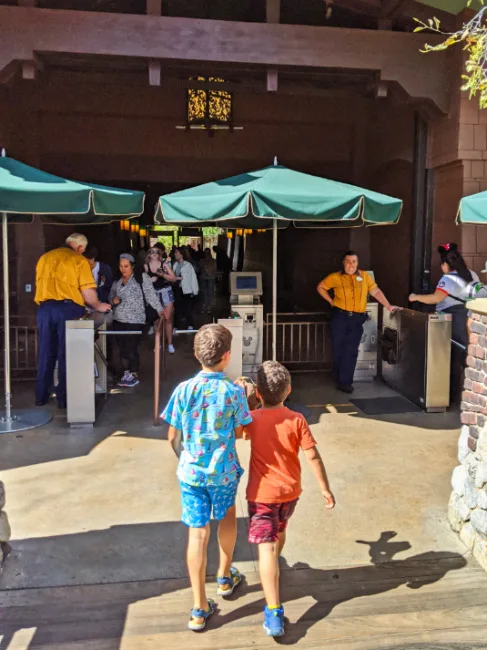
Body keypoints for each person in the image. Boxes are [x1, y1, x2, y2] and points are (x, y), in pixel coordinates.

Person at [162, 324, 252, 632]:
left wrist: (185, 460)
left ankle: (199, 608)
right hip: (223, 473)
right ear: (227, 357)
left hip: (192, 475)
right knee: (227, 520)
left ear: (196, 355)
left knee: (197, 535)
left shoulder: (183, 390)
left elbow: (172, 437)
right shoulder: (233, 391)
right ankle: (225, 578)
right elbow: (241, 432)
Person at [243, 361, 335, 638]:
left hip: (262, 495)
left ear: (258, 392)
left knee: (266, 549)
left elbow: (236, 432)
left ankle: (273, 610)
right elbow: (313, 456)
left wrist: (244, 400)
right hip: (290, 492)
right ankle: (274, 562)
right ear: (289, 390)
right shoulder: (297, 419)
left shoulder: (252, 419)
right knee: (280, 531)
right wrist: (325, 488)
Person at [34, 233, 111, 408]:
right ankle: (63, 398)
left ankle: (41, 395)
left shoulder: (44, 258)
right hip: (68, 309)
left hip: (44, 309)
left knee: (46, 352)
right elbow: (88, 292)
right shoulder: (78, 260)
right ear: (81, 248)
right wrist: (98, 305)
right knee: (65, 353)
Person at [317, 250, 400, 394]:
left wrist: (388, 305)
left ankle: (345, 382)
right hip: (340, 316)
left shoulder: (365, 276)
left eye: (354, 261)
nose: (351, 265)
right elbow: (321, 287)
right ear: (343, 263)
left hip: (356, 318)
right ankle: (338, 375)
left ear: (357, 263)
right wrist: (331, 301)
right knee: (338, 348)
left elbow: (376, 292)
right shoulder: (335, 277)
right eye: (348, 261)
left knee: (351, 350)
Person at [409, 242, 479, 401]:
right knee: (465, 354)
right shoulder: (473, 275)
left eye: (442, 263)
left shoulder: (447, 279)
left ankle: (450, 397)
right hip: (468, 317)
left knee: (451, 357)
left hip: (450, 320)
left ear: (446, 264)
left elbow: (436, 298)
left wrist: (415, 297)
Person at [109, 253, 163, 387]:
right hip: (118, 318)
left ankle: (134, 373)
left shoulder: (142, 278)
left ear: (133, 266)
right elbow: (111, 296)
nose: (123, 269)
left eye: (126, 266)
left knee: (131, 347)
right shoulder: (117, 280)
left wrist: (160, 310)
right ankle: (126, 372)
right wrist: (113, 300)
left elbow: (151, 295)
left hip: (135, 319)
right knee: (121, 348)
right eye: (121, 266)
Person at [144, 245, 178, 353]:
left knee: (167, 319)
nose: (154, 254)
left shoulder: (165, 265)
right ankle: (158, 344)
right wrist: (151, 280)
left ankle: (170, 344)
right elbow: (143, 282)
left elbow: (173, 278)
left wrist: (162, 274)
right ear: (148, 254)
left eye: (156, 252)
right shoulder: (146, 266)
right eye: (152, 251)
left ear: (160, 254)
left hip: (165, 292)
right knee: (156, 321)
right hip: (153, 294)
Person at [173, 247, 199, 330]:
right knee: (177, 308)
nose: (175, 254)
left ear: (182, 254)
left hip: (187, 290)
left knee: (188, 309)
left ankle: (190, 325)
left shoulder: (188, 265)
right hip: (178, 289)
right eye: (175, 253)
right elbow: (173, 276)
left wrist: (195, 291)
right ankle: (176, 326)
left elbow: (193, 278)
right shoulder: (175, 264)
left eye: (177, 253)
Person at [199, 247, 217, 313]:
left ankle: (209, 306)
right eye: (205, 252)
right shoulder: (201, 261)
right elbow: (199, 269)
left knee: (210, 293)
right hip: (203, 278)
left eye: (207, 252)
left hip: (211, 278)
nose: (206, 254)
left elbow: (215, 270)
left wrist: (208, 271)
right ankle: (204, 305)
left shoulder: (213, 261)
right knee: (204, 293)